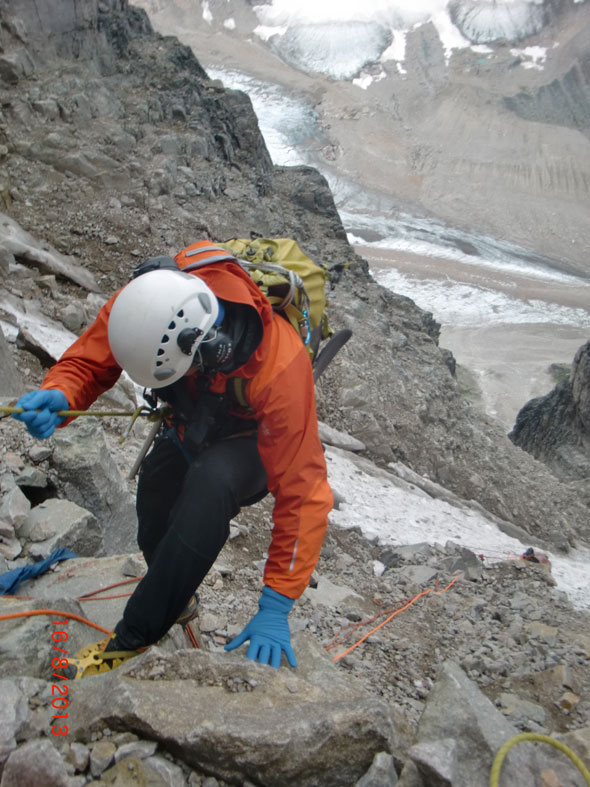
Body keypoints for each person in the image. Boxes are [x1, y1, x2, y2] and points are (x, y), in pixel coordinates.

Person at [13, 240, 333, 676]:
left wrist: (277, 602)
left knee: (210, 482)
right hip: (194, 419)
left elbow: (303, 491)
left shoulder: (278, 368)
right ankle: (173, 592)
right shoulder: (150, 300)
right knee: (155, 497)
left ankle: (134, 638)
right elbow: (91, 362)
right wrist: (61, 392)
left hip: (251, 440)